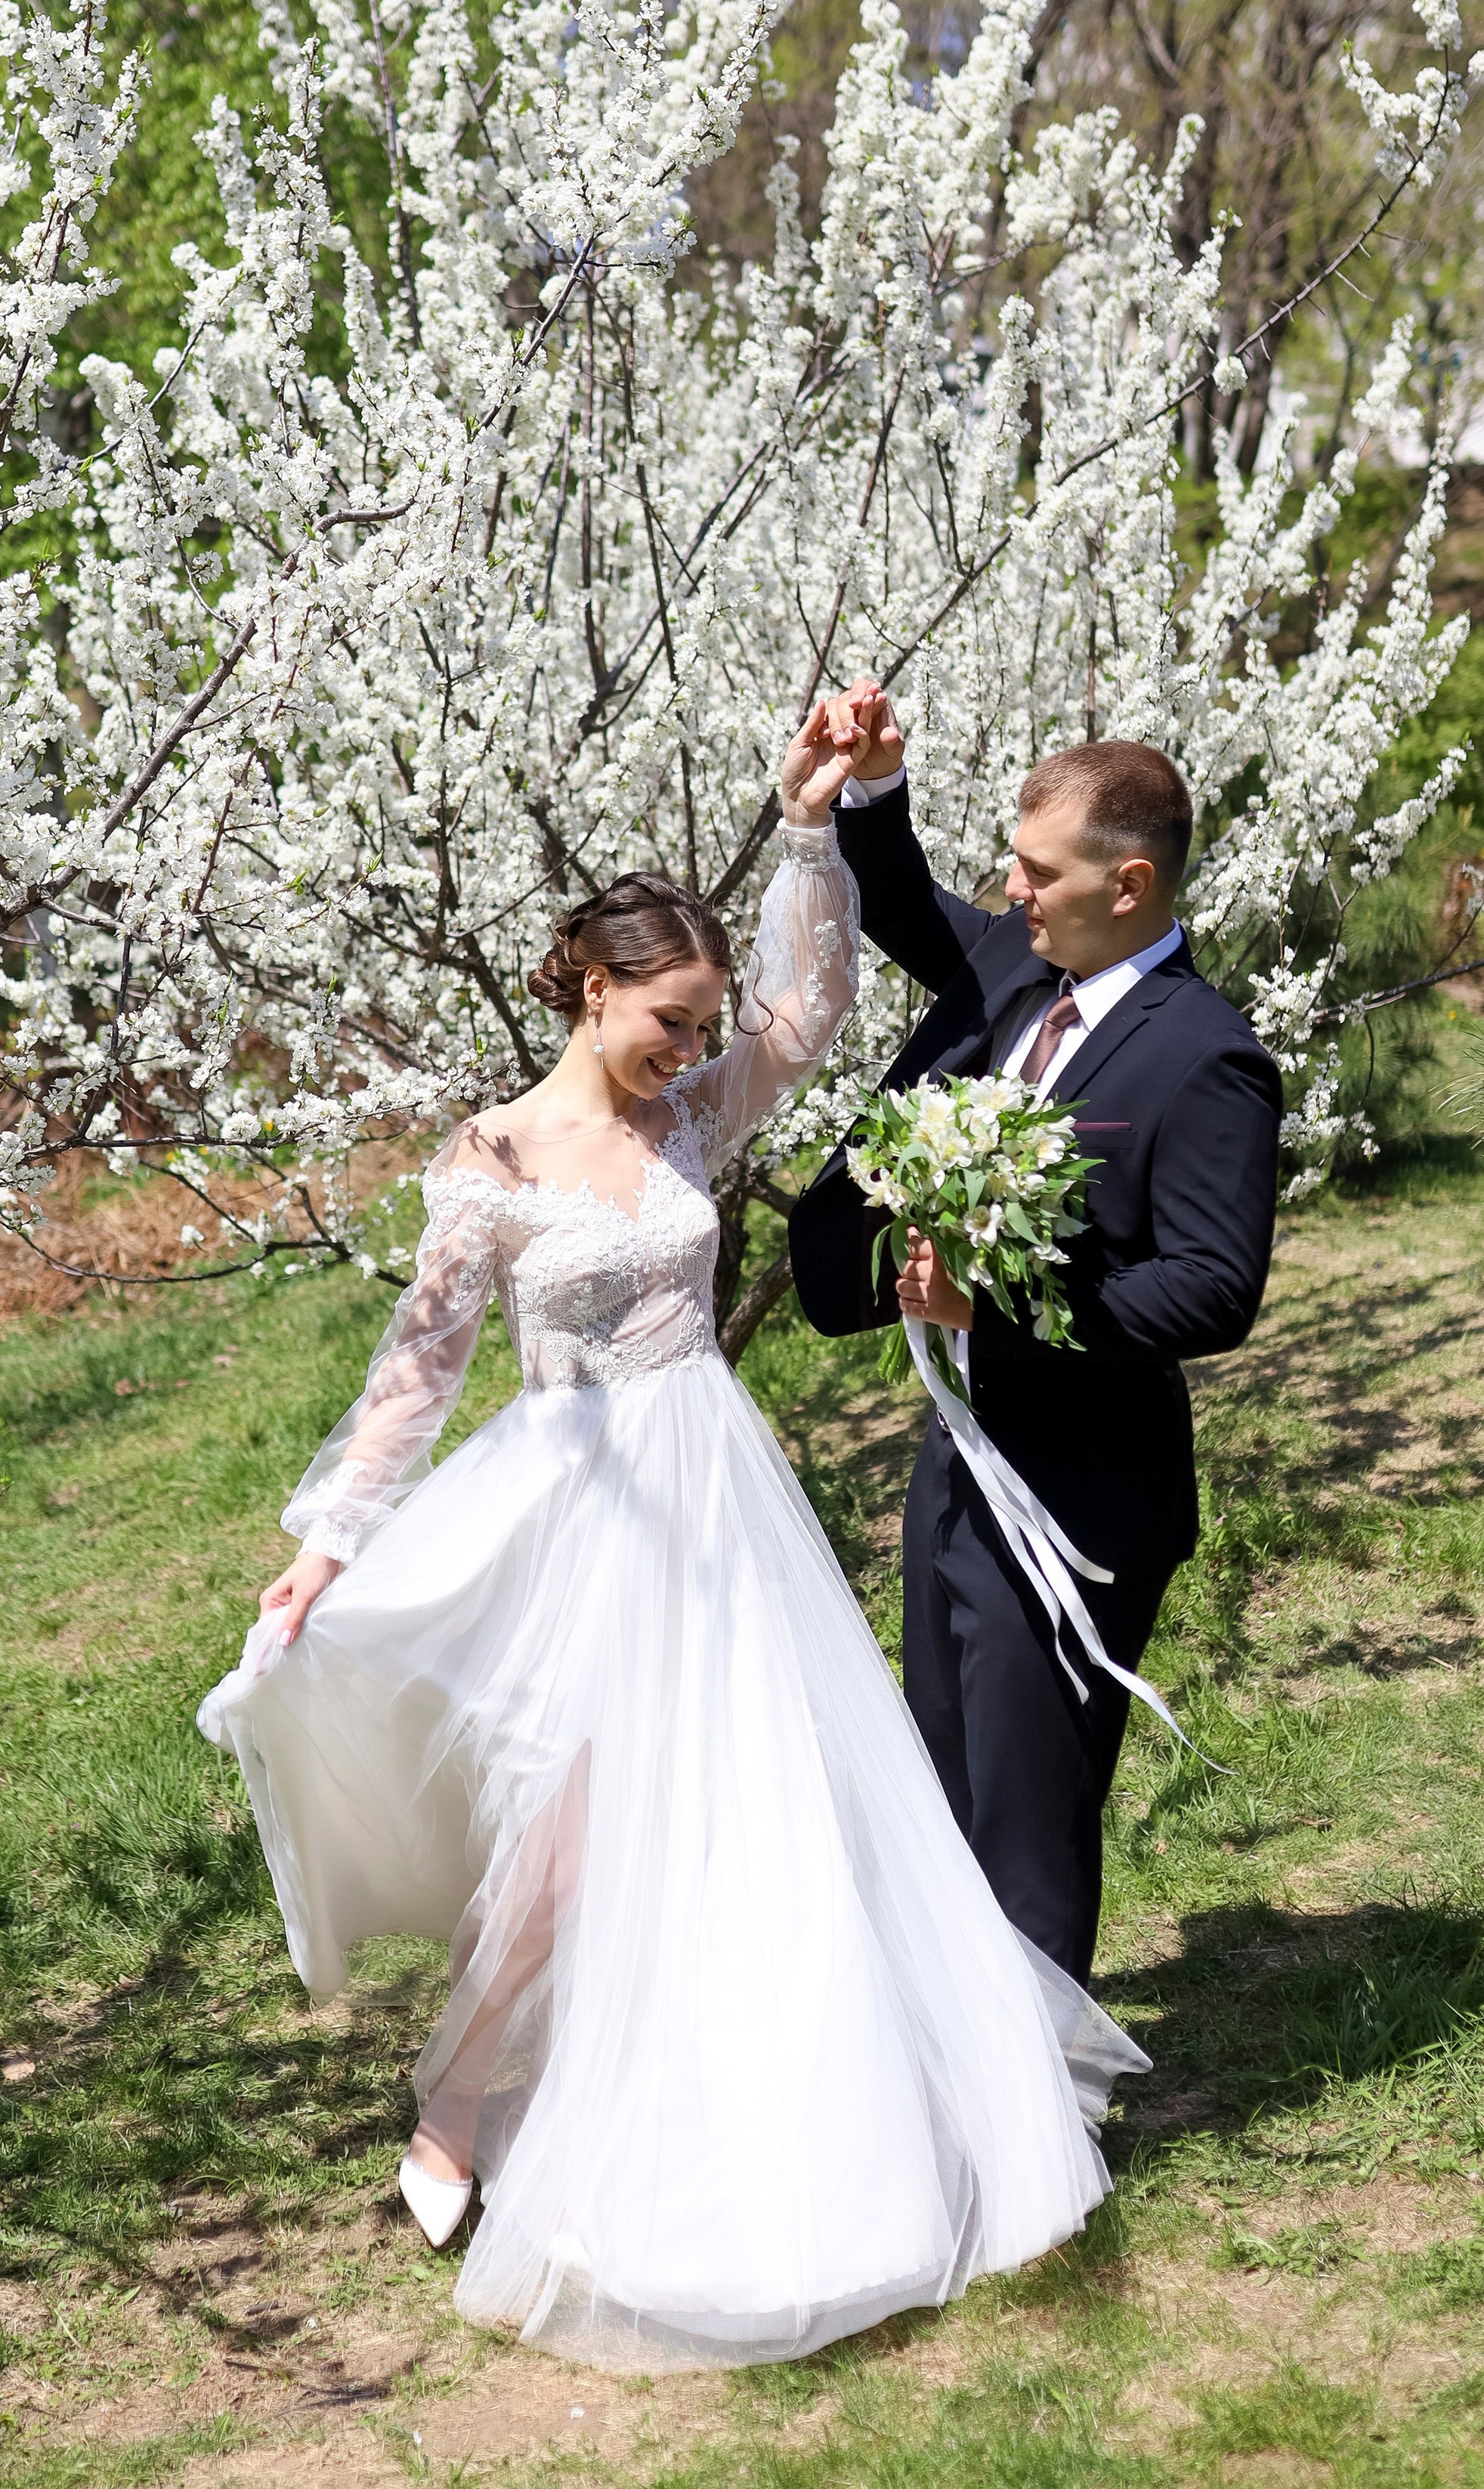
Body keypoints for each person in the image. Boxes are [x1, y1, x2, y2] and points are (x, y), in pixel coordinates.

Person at [199, 704, 1142, 2374]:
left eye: (703, 1028)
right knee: (560, 1833)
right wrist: (331, 1537)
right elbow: (418, 1368)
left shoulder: (699, 1116)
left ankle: (758, 2100)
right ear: (591, 991)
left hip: (715, 1497)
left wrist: (805, 830)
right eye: (665, 1024)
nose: (689, 1052)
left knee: (753, 1797)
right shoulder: (490, 1160)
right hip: (574, 1503)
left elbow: (816, 1004)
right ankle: (463, 2105)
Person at [790, 689, 1282, 1989]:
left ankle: (1046, 2128)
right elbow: (907, 909)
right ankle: (961, 2087)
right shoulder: (1025, 966)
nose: (1008, 890)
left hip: (1081, 1493)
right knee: (943, 1780)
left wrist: (991, 1318)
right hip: (957, 1464)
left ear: (1129, 885)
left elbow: (1213, 1290)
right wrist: (874, 787)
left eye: (1036, 869)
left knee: (1026, 1818)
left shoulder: (1204, 1057)